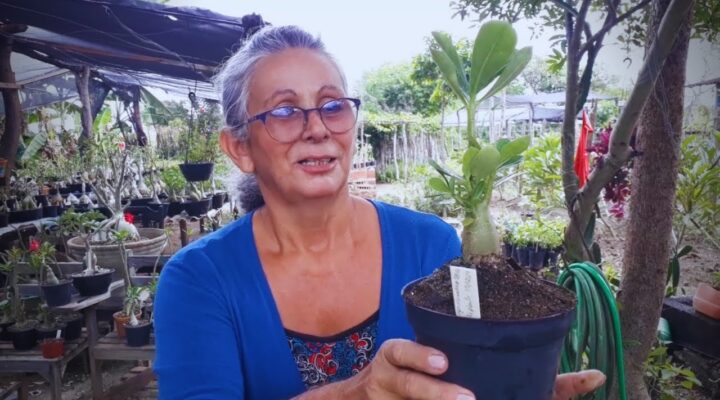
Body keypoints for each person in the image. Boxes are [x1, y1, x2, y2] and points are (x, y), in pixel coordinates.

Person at [153, 25, 605, 399]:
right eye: (286, 112)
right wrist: (357, 392)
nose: (316, 128)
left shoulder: (431, 245)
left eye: (333, 106)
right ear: (240, 148)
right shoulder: (199, 278)